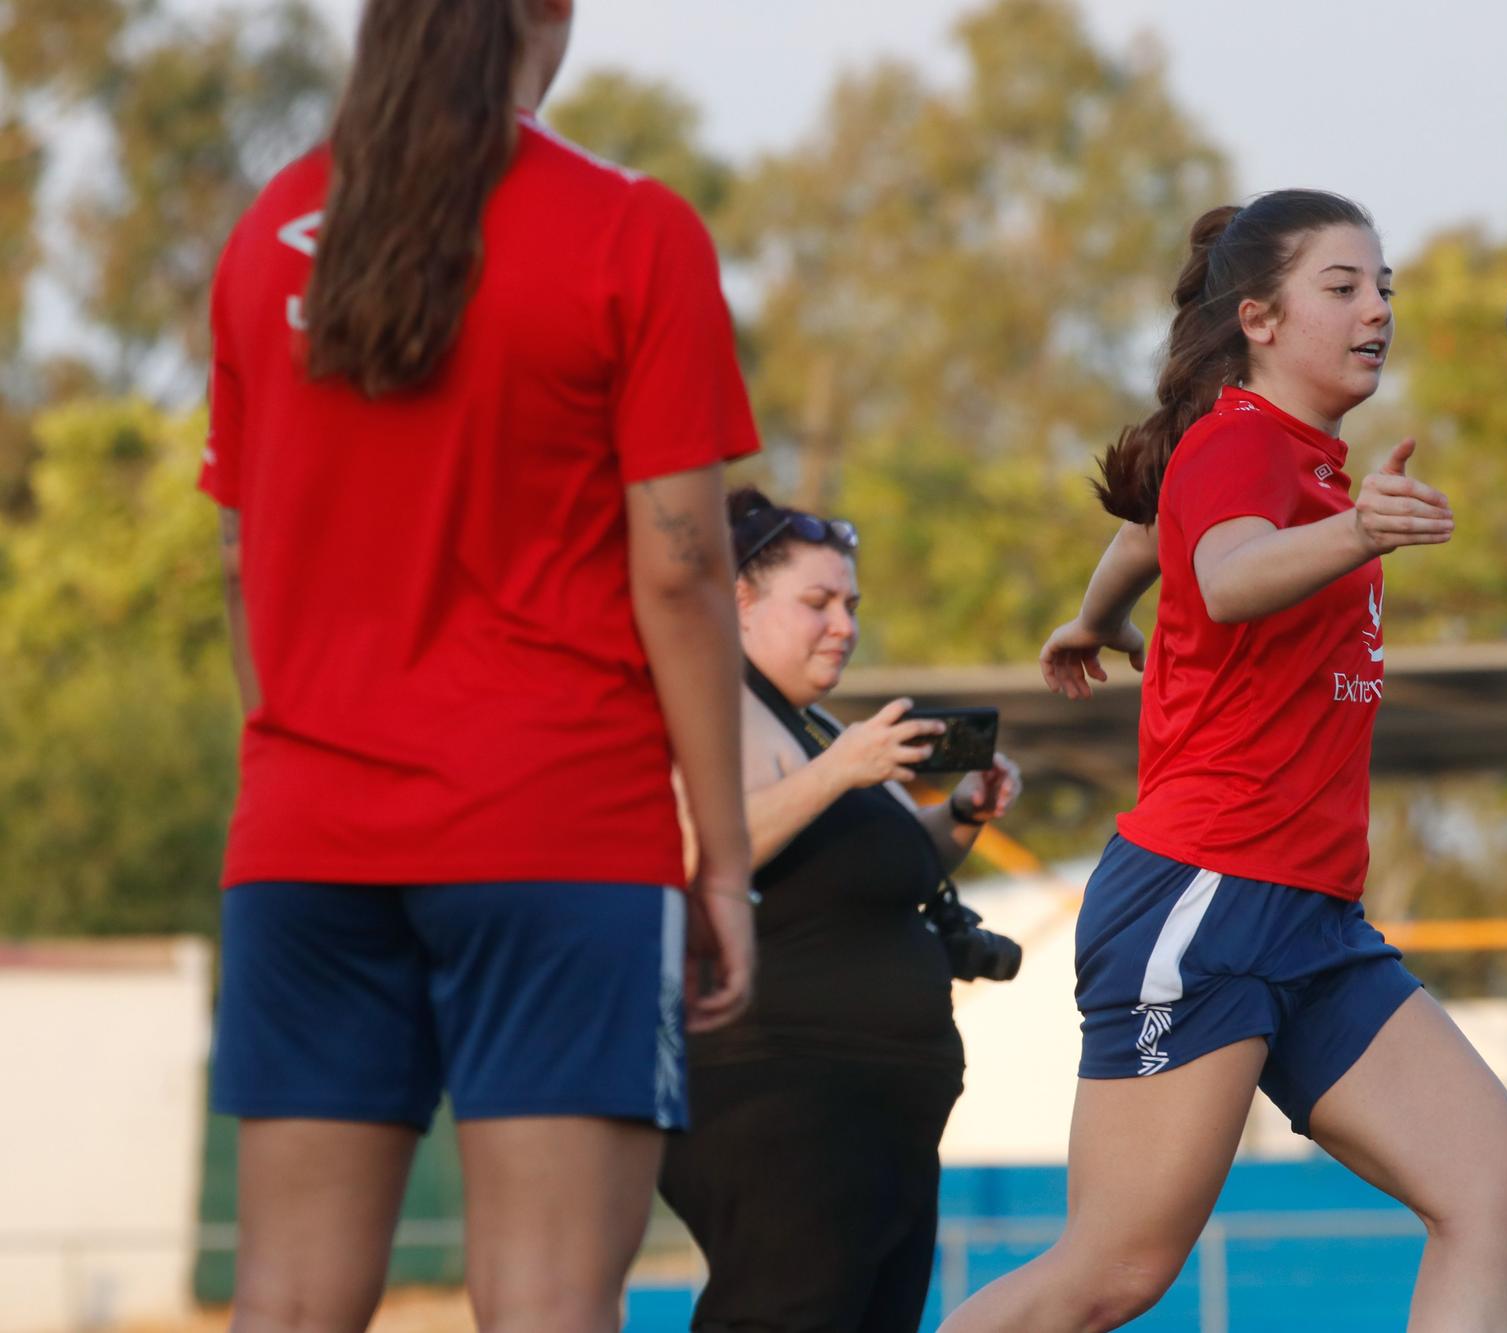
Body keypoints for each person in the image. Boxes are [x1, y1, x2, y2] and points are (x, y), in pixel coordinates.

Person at [199, 1, 760, 1329]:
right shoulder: (630, 230)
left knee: (283, 1302)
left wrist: (318, 751)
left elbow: (237, 562)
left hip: (305, 837)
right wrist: (724, 856)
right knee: (547, 1301)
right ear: (547, 14)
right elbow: (681, 567)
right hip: (557, 828)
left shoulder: (266, 232)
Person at [939, 191, 1507, 1333]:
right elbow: (1222, 571)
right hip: (1204, 896)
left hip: (1311, 919)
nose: (1377, 309)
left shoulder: (1293, 463)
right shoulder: (1239, 443)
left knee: (1493, 1195)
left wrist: (1092, 616)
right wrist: (1360, 532)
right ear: (1259, 318)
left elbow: (1148, 531)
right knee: (1110, 1273)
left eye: (1385, 290)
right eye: (1344, 286)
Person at [658, 487, 1023, 1333]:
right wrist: (841, 771)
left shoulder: (817, 724)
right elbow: (694, 850)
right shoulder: (714, 703)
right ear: (739, 603)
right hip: (780, 1095)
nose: (844, 625)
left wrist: (962, 812)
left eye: (852, 605)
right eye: (817, 603)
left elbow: (877, 876)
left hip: (880, 1105)